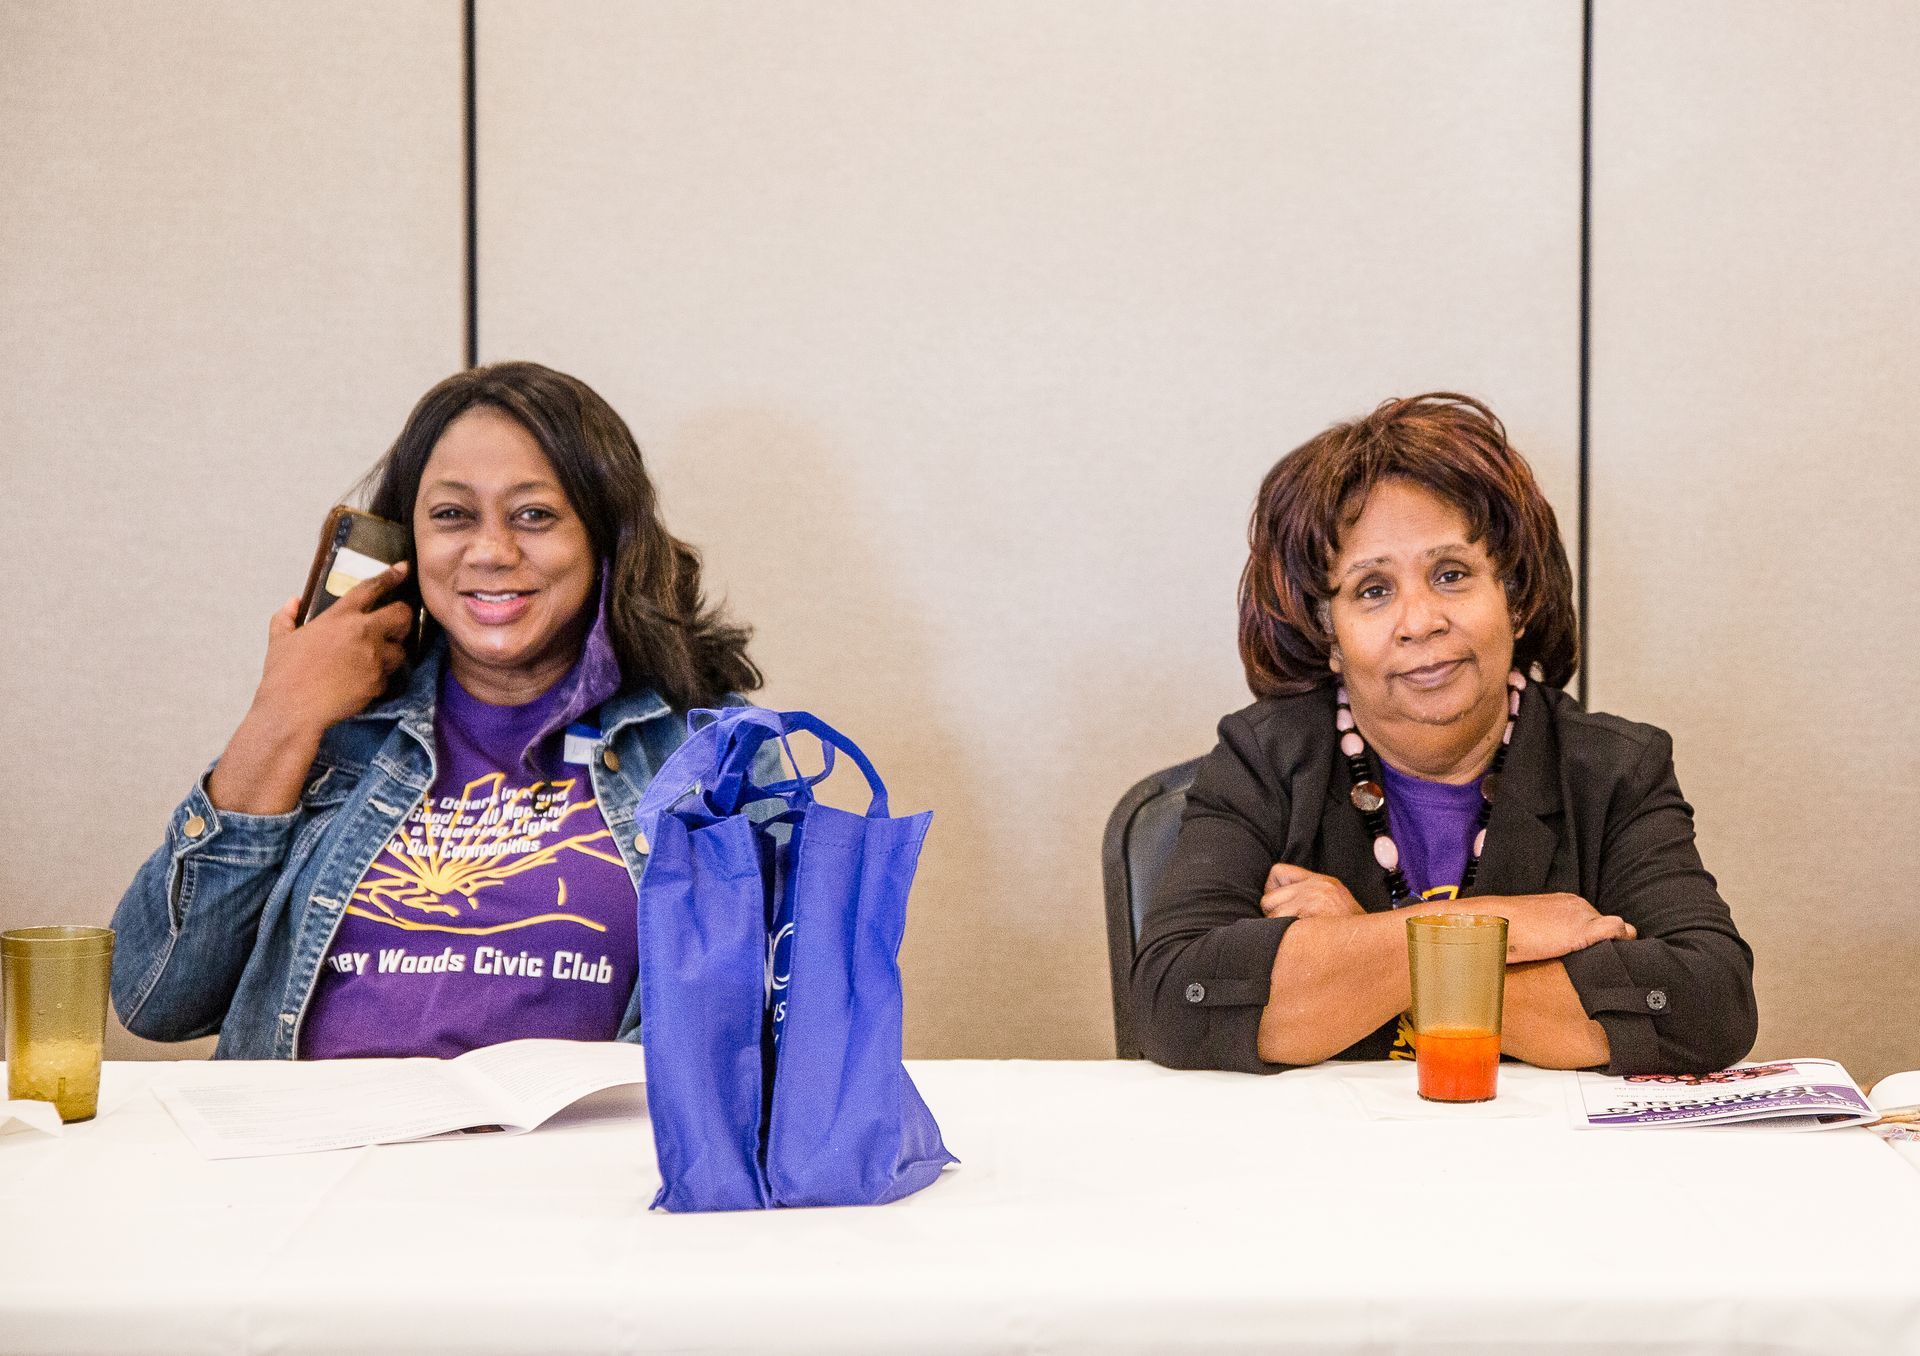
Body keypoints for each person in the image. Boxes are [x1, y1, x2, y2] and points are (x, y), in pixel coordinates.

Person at [111, 362, 761, 1059]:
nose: (490, 551)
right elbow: (157, 997)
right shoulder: (337, 734)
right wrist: (280, 716)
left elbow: (741, 1031)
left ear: (604, 538)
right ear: (407, 544)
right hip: (313, 1155)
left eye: (534, 515)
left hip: (566, 1162)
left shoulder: (707, 753)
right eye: (452, 515)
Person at [1132, 393, 1756, 1076]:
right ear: (1326, 632)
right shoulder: (1264, 759)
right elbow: (1177, 1003)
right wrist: (1498, 930)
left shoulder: (1612, 769)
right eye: (1372, 590)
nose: (1420, 620)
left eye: (1451, 575)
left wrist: (1354, 950)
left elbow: (1705, 1007)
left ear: (1515, 598)